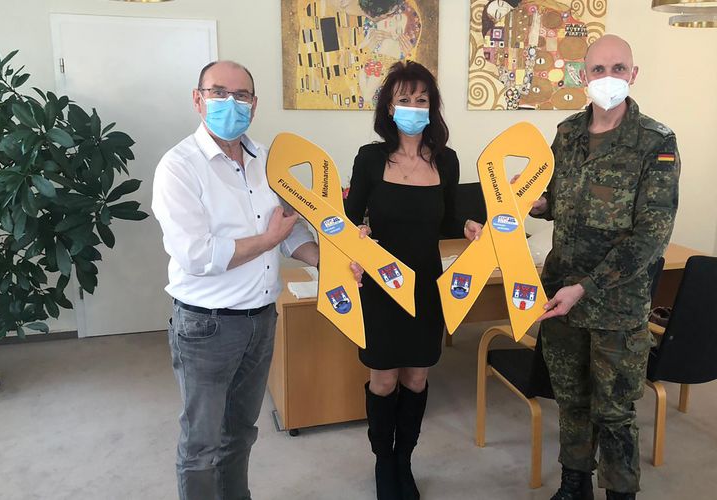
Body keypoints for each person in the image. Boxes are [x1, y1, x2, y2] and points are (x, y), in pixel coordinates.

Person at [151, 60, 358, 500]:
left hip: (261, 320)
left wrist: (330, 262)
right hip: (206, 326)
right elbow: (196, 255)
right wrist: (268, 239)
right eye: (219, 92)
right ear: (198, 98)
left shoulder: (268, 160)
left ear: (254, 104)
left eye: (242, 95)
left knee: (242, 432)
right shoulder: (179, 166)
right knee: (202, 443)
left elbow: (291, 232)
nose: (231, 103)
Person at [525, 35, 681, 500]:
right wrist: (528, 204)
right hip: (560, 299)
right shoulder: (567, 133)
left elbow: (650, 238)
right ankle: (574, 487)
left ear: (633, 74)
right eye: (598, 69)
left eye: (618, 68)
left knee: (614, 414)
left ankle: (620, 494)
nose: (607, 77)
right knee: (571, 401)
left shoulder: (656, 142)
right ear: (582, 76)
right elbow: (558, 201)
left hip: (616, 305)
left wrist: (586, 287)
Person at [345, 61, 483, 500]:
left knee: (417, 380)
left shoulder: (446, 159)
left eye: (421, 100)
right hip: (383, 285)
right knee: (384, 380)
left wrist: (469, 227)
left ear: (432, 107)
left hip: (426, 286)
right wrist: (356, 238)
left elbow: (449, 217)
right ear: (389, 105)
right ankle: (383, 464)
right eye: (404, 99)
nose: (412, 107)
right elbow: (348, 220)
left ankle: (404, 460)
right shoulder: (370, 158)